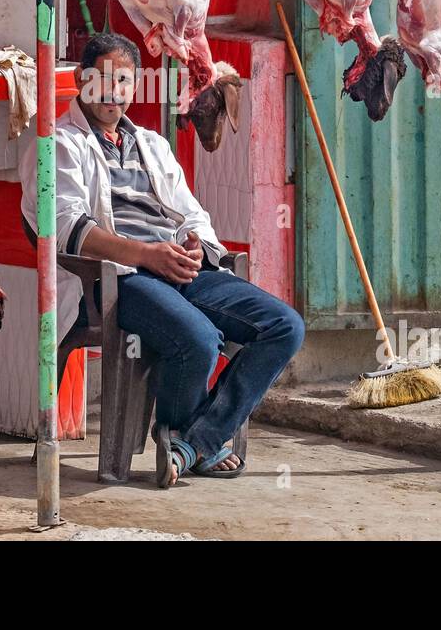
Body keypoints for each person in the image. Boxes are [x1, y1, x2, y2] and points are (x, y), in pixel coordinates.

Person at [20, 32, 304, 487]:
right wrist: (146, 255)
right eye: (103, 79)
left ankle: (194, 441)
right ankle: (189, 441)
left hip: (176, 266)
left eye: (125, 80)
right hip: (119, 279)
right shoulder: (58, 143)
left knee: (285, 326)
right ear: (81, 80)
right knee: (198, 337)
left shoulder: (152, 143)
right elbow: (66, 226)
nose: (115, 90)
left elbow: (191, 212)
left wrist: (194, 242)